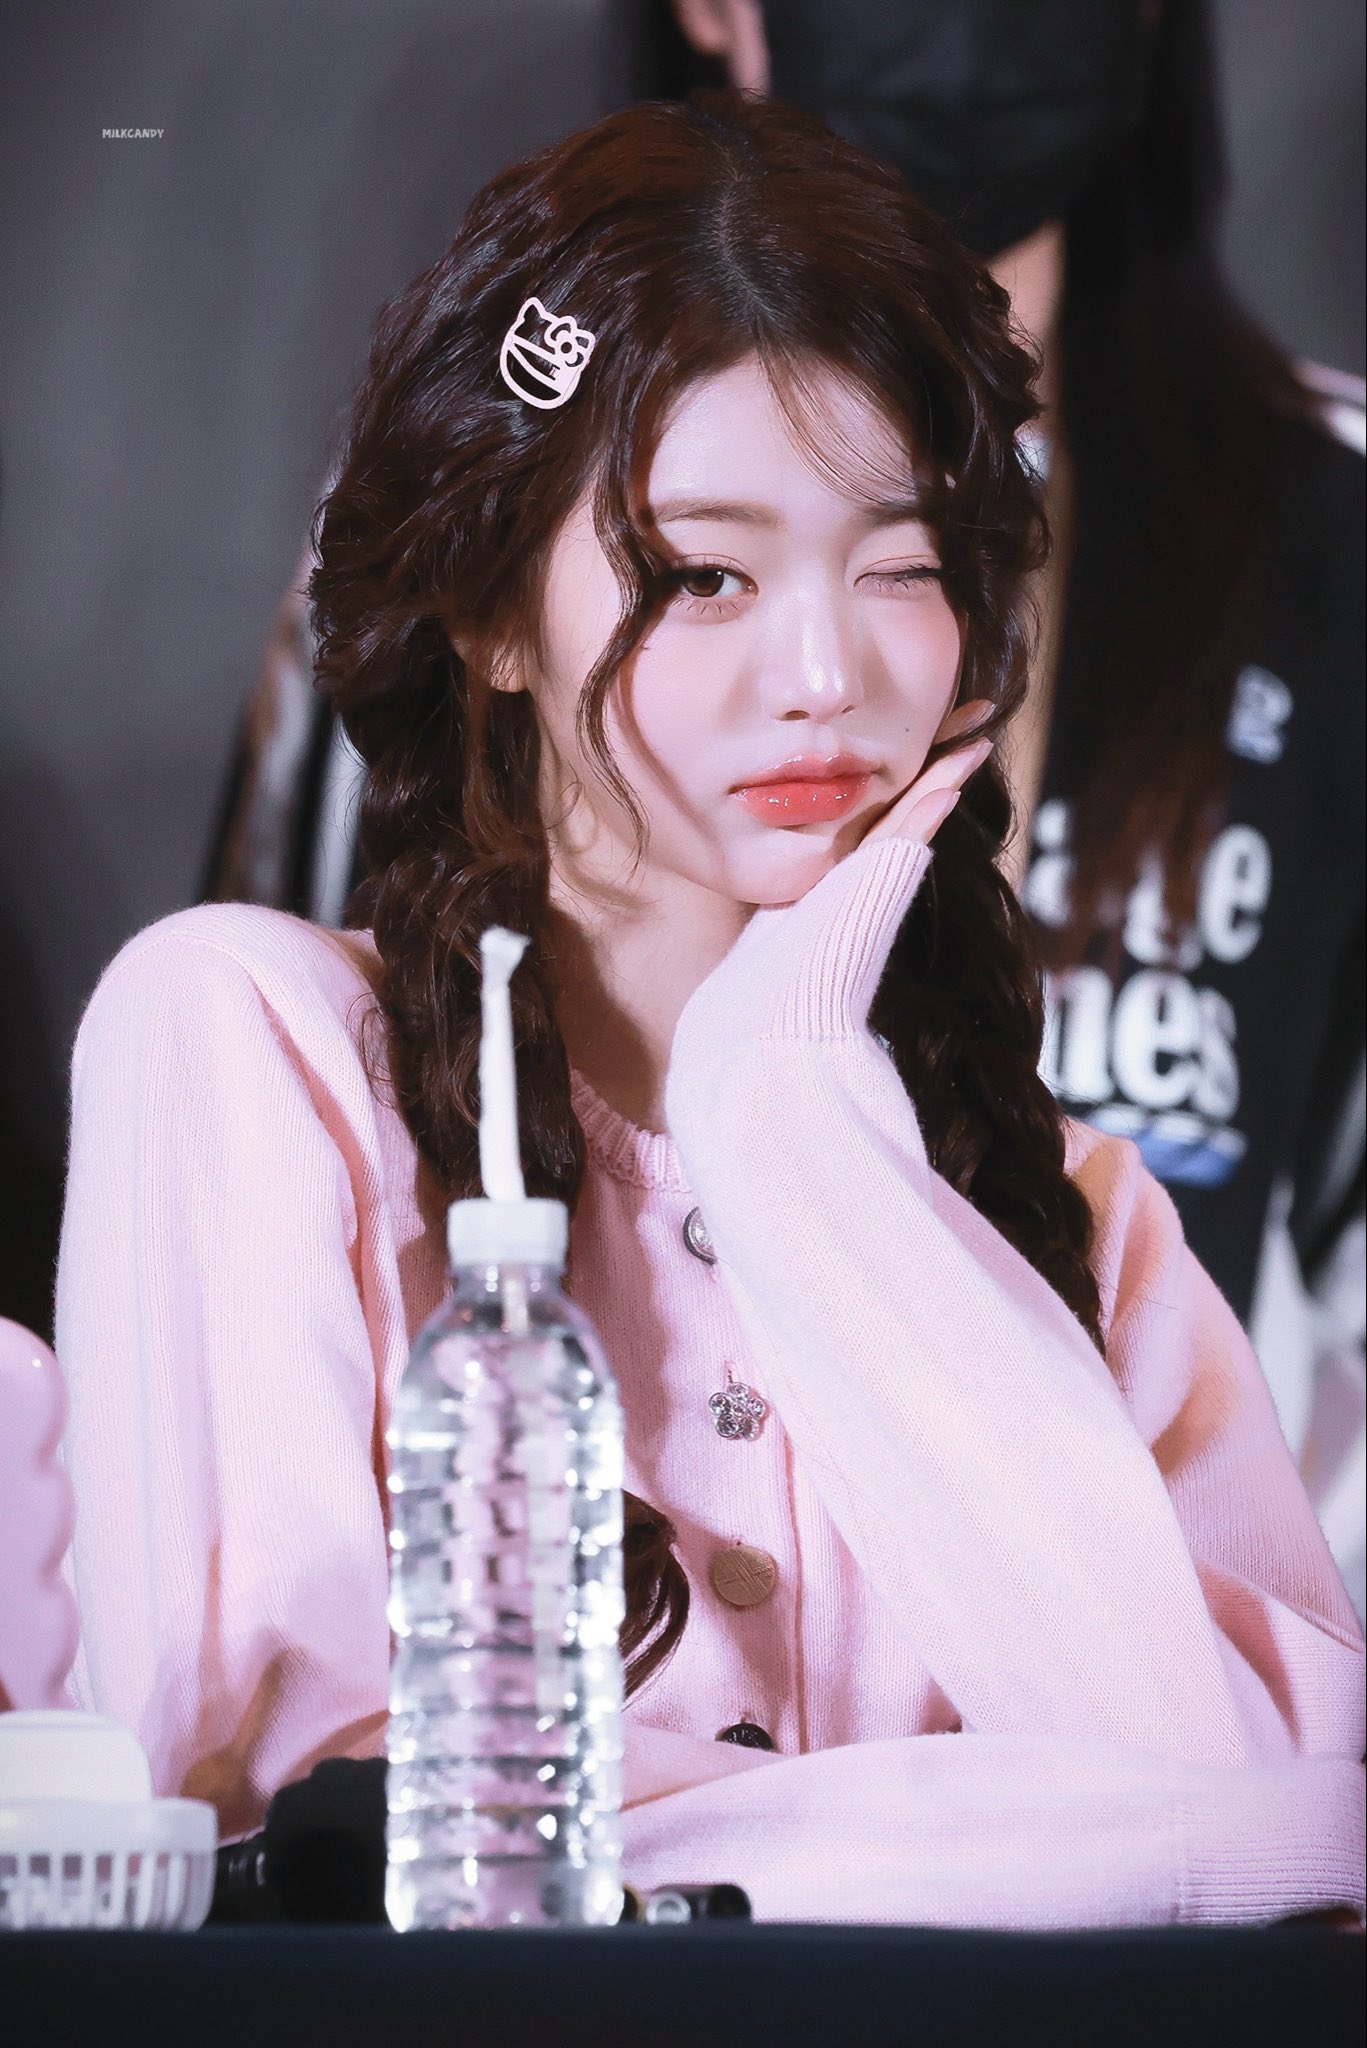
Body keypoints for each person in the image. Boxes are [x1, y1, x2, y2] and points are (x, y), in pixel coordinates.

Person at [59, 95, 1363, 1926]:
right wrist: (1036, 1846)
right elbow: (312, 1811)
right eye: (704, 576)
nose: (826, 675)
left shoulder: (1083, 1216)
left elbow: (1290, 1850)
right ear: (489, 611)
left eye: (903, 568)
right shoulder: (253, 1047)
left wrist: (789, 1106)